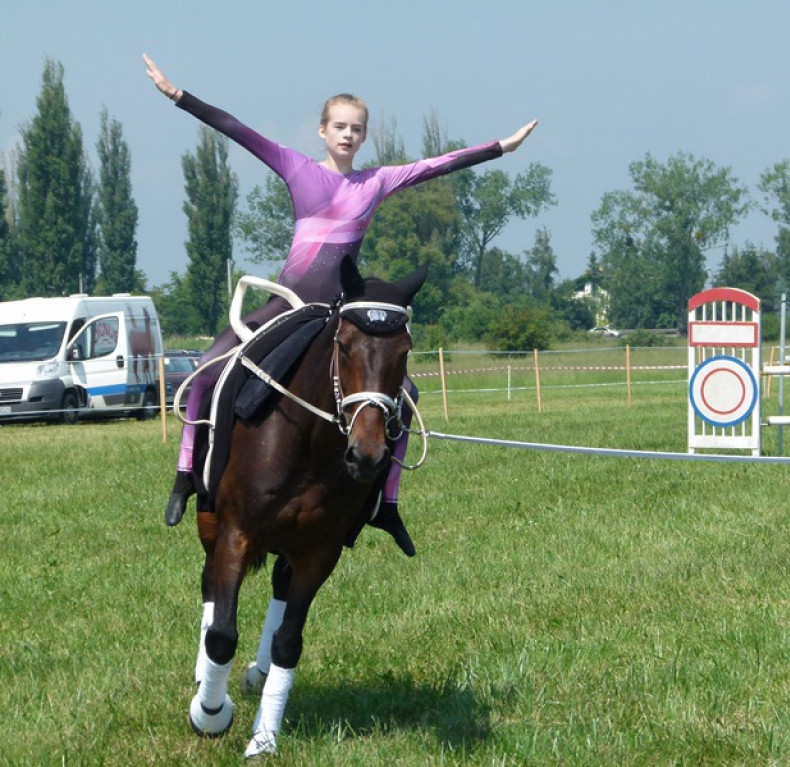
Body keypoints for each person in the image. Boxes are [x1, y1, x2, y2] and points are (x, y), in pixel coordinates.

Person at [144, 54, 537, 545]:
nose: (347, 134)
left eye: (356, 128)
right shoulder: (296, 167)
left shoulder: (375, 182)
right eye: (339, 126)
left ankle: (387, 505)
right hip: (288, 302)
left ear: (365, 136)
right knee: (207, 366)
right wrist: (178, 96)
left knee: (407, 395)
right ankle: (187, 476)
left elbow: (439, 164)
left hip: (335, 316)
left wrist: (502, 147)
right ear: (323, 131)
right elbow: (236, 129)